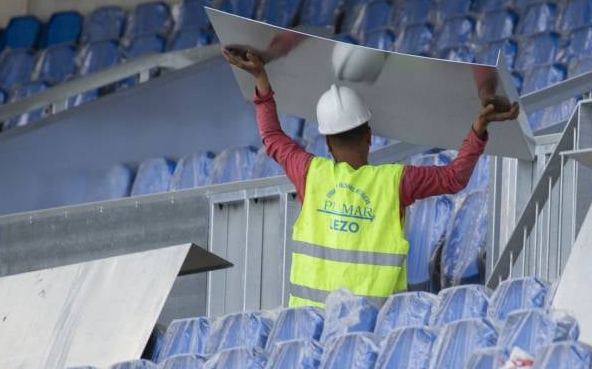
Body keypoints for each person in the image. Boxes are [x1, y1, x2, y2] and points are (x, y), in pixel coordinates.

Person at [222, 45, 520, 307]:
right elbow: (455, 177)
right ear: (369, 136)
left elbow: (272, 137)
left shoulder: (311, 174)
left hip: (307, 330)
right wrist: (478, 128)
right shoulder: (395, 182)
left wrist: (260, 78)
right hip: (371, 331)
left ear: (326, 142)